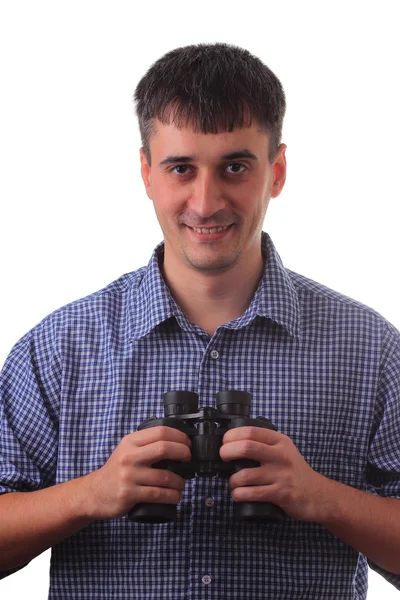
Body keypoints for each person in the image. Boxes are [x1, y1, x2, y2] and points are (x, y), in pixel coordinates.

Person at [1, 42, 400, 600]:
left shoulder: (370, 350)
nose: (206, 201)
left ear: (276, 171)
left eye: (235, 166)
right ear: (146, 173)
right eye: (181, 168)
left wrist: (321, 498)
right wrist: (90, 495)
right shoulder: (59, 348)